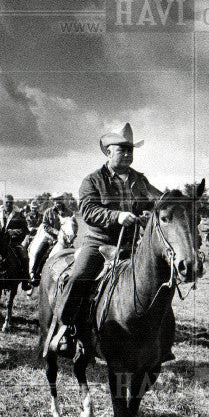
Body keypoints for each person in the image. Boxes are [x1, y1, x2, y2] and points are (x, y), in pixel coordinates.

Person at [52, 123, 174, 361]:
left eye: (131, 150)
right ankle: (66, 330)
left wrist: (174, 202)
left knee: (161, 284)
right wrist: (117, 216)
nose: (128, 154)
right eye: (123, 149)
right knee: (79, 278)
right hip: (98, 244)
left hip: (132, 248)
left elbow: (158, 200)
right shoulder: (93, 180)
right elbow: (87, 210)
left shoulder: (140, 180)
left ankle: (162, 341)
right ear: (109, 151)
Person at [28, 194, 77, 285]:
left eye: (59, 200)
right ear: (53, 201)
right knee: (39, 253)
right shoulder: (48, 212)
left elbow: (74, 225)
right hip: (50, 238)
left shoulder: (69, 213)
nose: (57, 202)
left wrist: (72, 235)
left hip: (65, 240)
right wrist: (56, 232)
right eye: (55, 200)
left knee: (74, 255)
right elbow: (45, 225)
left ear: (62, 200)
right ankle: (34, 274)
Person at [0, 194, 30, 290]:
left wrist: (14, 231)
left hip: (14, 243)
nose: (8, 204)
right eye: (6, 202)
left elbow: (25, 230)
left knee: (24, 256)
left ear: (13, 203)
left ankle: (25, 281)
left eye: (10, 202)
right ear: (3, 203)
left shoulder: (19, 215)